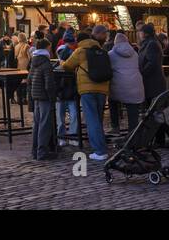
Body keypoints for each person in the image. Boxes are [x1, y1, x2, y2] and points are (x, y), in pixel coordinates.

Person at [61, 24, 112, 161]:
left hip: (87, 89)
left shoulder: (80, 51)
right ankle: (101, 146)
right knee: (98, 119)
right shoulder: (100, 49)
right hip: (102, 88)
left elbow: (67, 66)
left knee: (92, 120)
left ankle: (100, 151)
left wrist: (61, 62)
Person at [108, 31, 145, 136]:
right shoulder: (135, 54)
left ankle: (115, 127)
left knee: (112, 102)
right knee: (132, 107)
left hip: (118, 86)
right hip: (135, 85)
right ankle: (133, 130)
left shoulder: (110, 54)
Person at [27, 37, 58, 159]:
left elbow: (29, 80)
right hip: (44, 97)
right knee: (45, 124)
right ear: (47, 48)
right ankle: (42, 151)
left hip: (36, 96)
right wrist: (53, 97)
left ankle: (35, 150)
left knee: (37, 124)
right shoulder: (46, 63)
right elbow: (49, 84)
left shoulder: (34, 62)